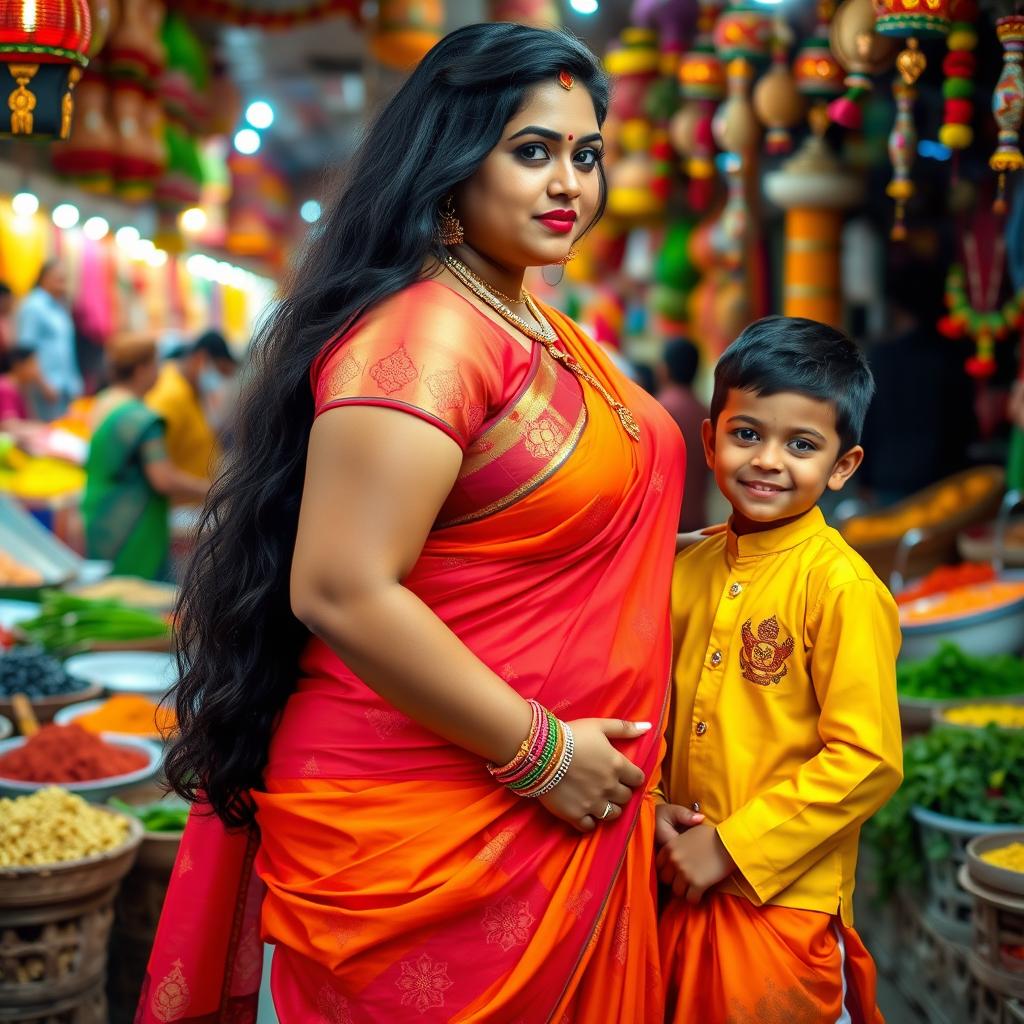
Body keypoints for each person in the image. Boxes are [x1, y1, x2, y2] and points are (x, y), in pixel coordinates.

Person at [140, 24, 685, 1024]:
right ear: (451, 159)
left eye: (585, 153)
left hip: (557, 813)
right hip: (429, 826)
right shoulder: (428, 332)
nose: (568, 181)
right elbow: (340, 585)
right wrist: (545, 754)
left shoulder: (542, 327)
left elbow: (567, 535)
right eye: (532, 151)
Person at [656, 317, 904, 1023]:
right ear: (709, 441)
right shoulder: (684, 569)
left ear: (842, 465)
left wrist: (732, 847)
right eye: (747, 434)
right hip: (671, 879)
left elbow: (866, 759)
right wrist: (650, 814)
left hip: (777, 902)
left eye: (801, 445)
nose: (768, 460)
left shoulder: (841, 589)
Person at [82, 333, 208, 580]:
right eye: (156, 364)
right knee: (138, 602)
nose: (159, 372)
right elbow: (163, 479)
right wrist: (210, 490)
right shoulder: (142, 419)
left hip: (99, 514)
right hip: (134, 525)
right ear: (141, 370)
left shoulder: (104, 402)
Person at [859, 261, 976, 504]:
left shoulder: (879, 358)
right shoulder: (950, 356)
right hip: (942, 478)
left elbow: (865, 422)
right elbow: (963, 422)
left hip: (888, 477)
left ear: (896, 306)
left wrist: (863, 478)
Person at [145, 329, 238, 481]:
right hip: (181, 501)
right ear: (200, 359)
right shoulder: (171, 395)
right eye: (219, 371)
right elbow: (157, 467)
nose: (219, 383)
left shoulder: (191, 390)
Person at [656, 337, 711, 532]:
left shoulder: (658, 411)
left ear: (664, 369)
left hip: (662, 526)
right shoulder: (706, 414)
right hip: (697, 525)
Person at [15, 261, 82, 420]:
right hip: (46, 386)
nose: (63, 283)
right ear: (44, 278)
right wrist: (43, 384)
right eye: (58, 278)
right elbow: (26, 349)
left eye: (64, 279)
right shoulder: (34, 306)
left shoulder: (59, 306)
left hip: (64, 385)